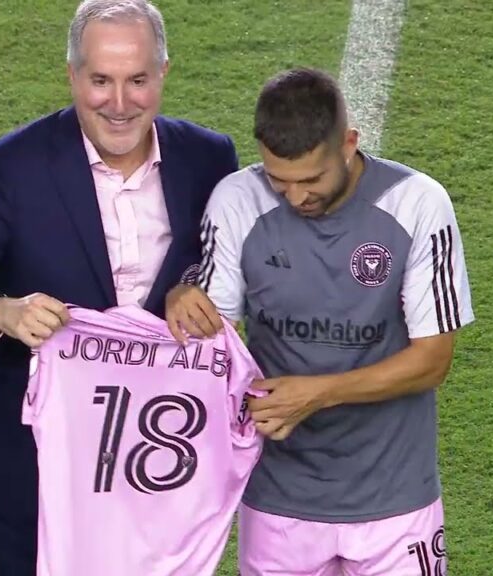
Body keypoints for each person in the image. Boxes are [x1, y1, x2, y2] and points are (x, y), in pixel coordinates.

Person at [0, 0, 238, 573]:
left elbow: (230, 267)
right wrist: (1, 313)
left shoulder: (209, 157)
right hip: (29, 468)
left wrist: (192, 287)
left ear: (163, 72)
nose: (119, 103)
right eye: (101, 81)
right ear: (72, 76)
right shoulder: (13, 165)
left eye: (137, 80)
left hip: (156, 466)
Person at [166, 68, 473, 576]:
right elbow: (209, 344)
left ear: (349, 144)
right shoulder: (237, 201)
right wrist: (184, 296)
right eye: (278, 179)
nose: (294, 197)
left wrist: (317, 394)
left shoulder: (417, 204)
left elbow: (431, 362)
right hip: (277, 503)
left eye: (311, 180)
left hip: (395, 504)